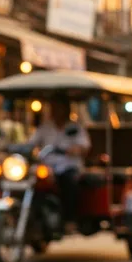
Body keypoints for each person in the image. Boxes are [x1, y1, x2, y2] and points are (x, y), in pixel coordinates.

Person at [27, 98, 90, 229]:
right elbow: (31, 143)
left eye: (58, 108)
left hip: (68, 167)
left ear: (66, 110)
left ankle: (69, 219)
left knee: (69, 182)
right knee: (32, 182)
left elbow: (85, 146)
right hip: (48, 168)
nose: (55, 111)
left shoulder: (75, 128)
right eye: (53, 108)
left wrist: (75, 149)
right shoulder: (45, 127)